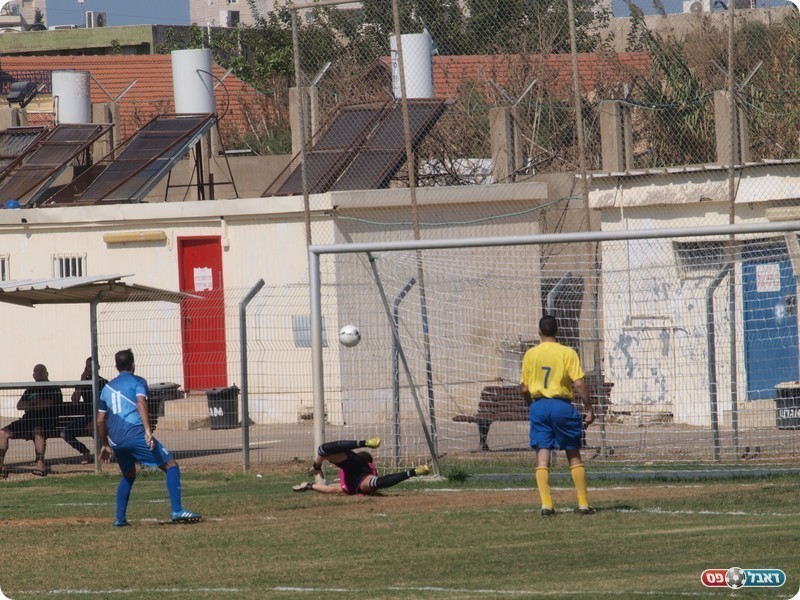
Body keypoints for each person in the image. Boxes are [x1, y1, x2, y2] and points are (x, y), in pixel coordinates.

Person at [98, 348, 201, 526]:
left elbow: (100, 420)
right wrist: (147, 431)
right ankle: (177, 511)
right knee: (171, 465)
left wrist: (105, 444)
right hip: (135, 435)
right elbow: (141, 402)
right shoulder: (138, 381)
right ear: (133, 364)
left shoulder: (106, 388)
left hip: (116, 441)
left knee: (128, 475)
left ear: (116, 366)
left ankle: (120, 519)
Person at [520, 315, 596, 516]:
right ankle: (583, 504)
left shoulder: (530, 354)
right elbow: (579, 383)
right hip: (562, 405)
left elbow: (524, 387)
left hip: (539, 405)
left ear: (539, 332)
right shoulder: (567, 352)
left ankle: (546, 505)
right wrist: (589, 408)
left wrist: (532, 406)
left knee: (542, 452)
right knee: (572, 452)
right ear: (558, 330)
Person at [292, 437, 431, 495]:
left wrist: (310, 486)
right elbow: (332, 489)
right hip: (360, 467)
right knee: (322, 450)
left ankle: (414, 471)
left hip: (359, 472)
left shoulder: (348, 488)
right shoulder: (349, 486)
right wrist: (310, 485)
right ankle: (364, 443)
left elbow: (332, 490)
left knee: (323, 450)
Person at [0, 364, 63, 478]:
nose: (39, 373)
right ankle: (0, 464)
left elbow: (47, 404)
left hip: (46, 421)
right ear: (33, 375)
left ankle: (40, 463)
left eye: (41, 371)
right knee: (2, 432)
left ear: (47, 373)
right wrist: (35, 404)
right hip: (27, 421)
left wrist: (30, 405)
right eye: (36, 371)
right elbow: (19, 405)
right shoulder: (30, 389)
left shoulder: (53, 388)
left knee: (38, 431)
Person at [62, 357, 108, 464]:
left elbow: (108, 404)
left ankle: (104, 453)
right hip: (87, 418)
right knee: (65, 433)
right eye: (88, 366)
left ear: (98, 368)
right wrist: (82, 381)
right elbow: (74, 401)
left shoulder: (104, 383)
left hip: (102, 417)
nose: (90, 369)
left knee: (93, 428)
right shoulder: (83, 384)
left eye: (92, 366)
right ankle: (85, 452)